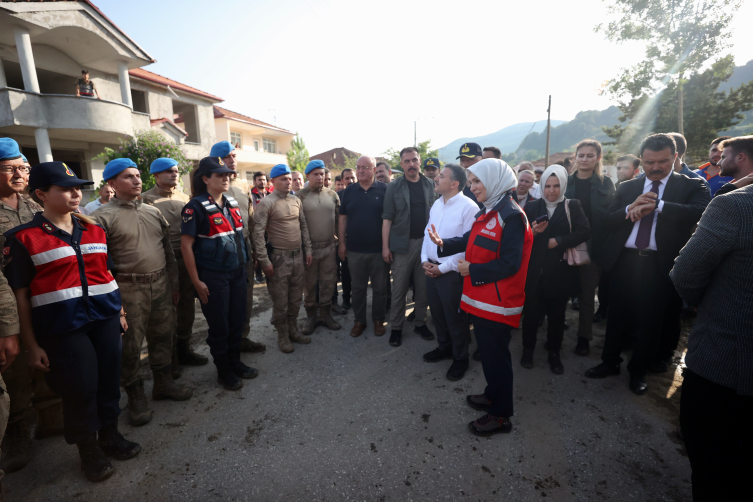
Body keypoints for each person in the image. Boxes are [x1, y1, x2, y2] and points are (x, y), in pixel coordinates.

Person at [4, 161, 140, 482]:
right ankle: (88, 451)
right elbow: (20, 294)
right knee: (80, 389)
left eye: (78, 187)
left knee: (108, 380)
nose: (76, 193)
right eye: (65, 188)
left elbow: (106, 273)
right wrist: (32, 344)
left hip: (105, 318)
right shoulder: (23, 238)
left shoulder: (94, 228)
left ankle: (110, 436)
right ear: (40, 194)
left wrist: (119, 312)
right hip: (64, 327)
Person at [585, 134, 709, 395]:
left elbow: (699, 210)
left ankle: (638, 371)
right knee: (617, 316)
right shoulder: (628, 187)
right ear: (641, 159)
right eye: (650, 161)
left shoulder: (692, 186)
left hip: (659, 265)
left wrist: (659, 205)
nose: (655, 167)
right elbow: (608, 220)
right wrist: (629, 209)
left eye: (662, 161)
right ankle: (609, 362)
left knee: (650, 321)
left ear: (675, 158)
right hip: (625, 262)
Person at [427, 158, 533, 436]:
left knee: (497, 360)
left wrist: (471, 269)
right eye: (471, 181)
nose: (473, 187)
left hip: (499, 303)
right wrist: (444, 244)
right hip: (482, 301)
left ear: (496, 180)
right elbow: (471, 240)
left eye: (477, 181)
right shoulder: (489, 211)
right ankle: (491, 394)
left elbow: (511, 263)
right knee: (488, 355)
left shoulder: (511, 216)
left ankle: (500, 416)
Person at [669, 156, 753, 502]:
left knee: (714, 472)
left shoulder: (737, 206)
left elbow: (686, 274)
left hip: (726, 367)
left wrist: (712, 305)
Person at [92, 158, 191, 426]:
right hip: (127, 288)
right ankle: (136, 397)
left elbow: (168, 253)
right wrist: (115, 302)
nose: (136, 181)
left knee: (163, 335)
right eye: (128, 177)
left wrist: (173, 285)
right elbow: (98, 265)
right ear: (111, 183)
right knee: (130, 346)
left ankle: (163, 383)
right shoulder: (100, 218)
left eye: (137, 176)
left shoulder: (152, 211)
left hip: (160, 284)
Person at [0, 138, 63, 474]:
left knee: (46, 361)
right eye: (9, 168)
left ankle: (52, 419)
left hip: (39, 301)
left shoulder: (34, 208)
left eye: (23, 167)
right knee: (14, 374)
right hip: (5, 308)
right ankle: (18, 432)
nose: (19, 174)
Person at [180, 156, 257, 390]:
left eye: (227, 174)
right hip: (213, 277)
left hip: (237, 273)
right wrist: (196, 281)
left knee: (236, 321)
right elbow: (186, 246)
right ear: (205, 179)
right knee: (220, 326)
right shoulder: (194, 207)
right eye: (219, 175)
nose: (225, 178)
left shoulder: (232, 202)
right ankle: (223, 371)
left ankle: (235, 362)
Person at [141, 158, 208, 378]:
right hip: (164, 261)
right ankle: (169, 359)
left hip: (187, 258)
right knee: (167, 310)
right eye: (169, 172)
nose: (174, 175)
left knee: (187, 308)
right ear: (156, 176)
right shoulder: (145, 200)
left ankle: (184, 349)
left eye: (177, 171)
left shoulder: (183, 197)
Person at [521, 165, 590, 374]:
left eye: (556, 185)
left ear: (563, 185)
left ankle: (554, 352)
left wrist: (558, 241)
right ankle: (528, 350)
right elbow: (520, 238)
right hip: (535, 273)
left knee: (557, 316)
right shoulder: (532, 207)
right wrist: (532, 232)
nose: (552, 190)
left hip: (560, 273)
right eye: (548, 186)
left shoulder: (573, 206)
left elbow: (585, 231)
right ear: (541, 186)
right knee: (531, 315)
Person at [420, 164, 478, 381]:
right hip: (431, 268)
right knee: (437, 314)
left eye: (441, 176)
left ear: (454, 184)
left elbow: (467, 247)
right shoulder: (436, 204)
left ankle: (460, 358)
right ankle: (444, 347)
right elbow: (428, 234)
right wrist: (425, 260)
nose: (436, 178)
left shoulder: (469, 208)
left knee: (456, 318)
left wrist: (442, 268)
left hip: (452, 273)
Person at [209, 142, 266, 354]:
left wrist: (254, 251)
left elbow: (250, 219)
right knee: (224, 303)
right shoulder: (208, 187)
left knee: (245, 298)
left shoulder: (243, 186)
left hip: (244, 250)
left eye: (233, 156)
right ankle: (226, 345)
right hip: (221, 256)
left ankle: (242, 337)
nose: (232, 160)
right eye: (226, 157)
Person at [252, 164, 312, 353]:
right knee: (281, 301)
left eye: (290, 179)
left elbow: (303, 226)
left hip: (298, 257)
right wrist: (265, 261)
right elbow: (258, 235)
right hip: (278, 260)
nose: (288, 182)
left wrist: (308, 250)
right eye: (283, 179)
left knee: (295, 298)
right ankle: (282, 335)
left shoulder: (296, 200)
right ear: (273, 182)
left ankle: (293, 329)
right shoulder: (266, 203)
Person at [564, 139, 615, 356]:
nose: (585, 159)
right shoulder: (564, 182)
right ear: (575, 157)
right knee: (561, 290)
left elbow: (610, 218)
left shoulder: (606, 184)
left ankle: (584, 337)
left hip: (593, 247)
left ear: (598, 158)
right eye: (581, 155)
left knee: (586, 295)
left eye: (590, 155)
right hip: (565, 244)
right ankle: (557, 328)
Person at [382, 147, 436, 347]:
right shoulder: (394, 187)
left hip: (426, 245)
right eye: (407, 161)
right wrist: (385, 247)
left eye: (414, 160)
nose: (411, 164)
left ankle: (420, 323)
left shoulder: (431, 185)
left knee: (423, 289)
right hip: (401, 246)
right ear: (401, 164)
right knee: (399, 290)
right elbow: (387, 219)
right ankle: (396, 328)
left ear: (419, 161)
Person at [339, 156, 388, 337]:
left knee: (380, 289)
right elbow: (343, 218)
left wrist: (386, 247)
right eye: (358, 167)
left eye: (365, 167)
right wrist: (342, 244)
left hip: (378, 250)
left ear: (374, 170)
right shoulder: (349, 191)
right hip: (355, 250)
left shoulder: (385, 190)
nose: (360, 171)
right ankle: (359, 320)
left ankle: (378, 319)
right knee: (357, 288)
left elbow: (389, 219)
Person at [296, 160, 341, 335]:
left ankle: (326, 315)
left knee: (328, 283)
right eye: (315, 174)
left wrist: (340, 242)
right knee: (309, 285)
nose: (319, 177)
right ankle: (310, 317)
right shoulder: (299, 197)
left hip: (329, 248)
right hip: (309, 250)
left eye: (322, 174)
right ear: (307, 176)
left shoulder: (332, 195)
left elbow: (338, 221)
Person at [457, 143, 483, 209]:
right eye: (462, 160)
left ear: (481, 159)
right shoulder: (456, 184)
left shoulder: (489, 183)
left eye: (470, 160)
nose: (465, 164)